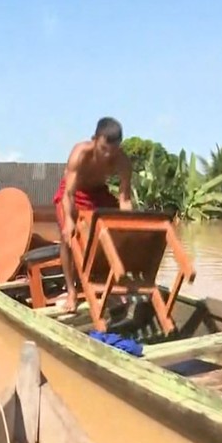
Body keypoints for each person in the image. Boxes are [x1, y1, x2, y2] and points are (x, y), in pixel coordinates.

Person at [53, 117, 134, 313]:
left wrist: (128, 226)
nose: (107, 156)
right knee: (67, 238)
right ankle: (72, 291)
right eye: (103, 149)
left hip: (99, 194)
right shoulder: (80, 153)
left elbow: (124, 198)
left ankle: (109, 284)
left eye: (112, 151)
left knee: (120, 233)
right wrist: (70, 221)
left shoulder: (123, 161)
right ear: (94, 139)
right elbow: (68, 195)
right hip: (74, 194)